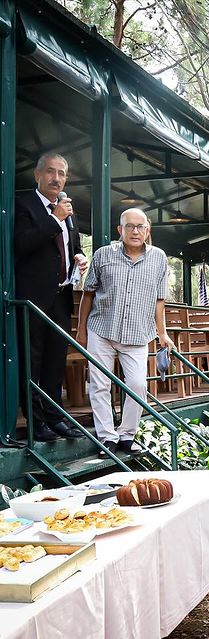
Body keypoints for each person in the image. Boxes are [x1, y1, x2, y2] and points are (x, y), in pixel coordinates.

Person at [76, 208, 175, 457]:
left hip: (138, 334)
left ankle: (127, 436)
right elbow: (88, 294)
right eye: (129, 226)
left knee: (137, 385)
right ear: (120, 230)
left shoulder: (159, 258)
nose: (135, 231)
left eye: (140, 226)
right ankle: (107, 438)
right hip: (102, 329)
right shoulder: (103, 255)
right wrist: (81, 331)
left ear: (147, 230)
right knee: (99, 385)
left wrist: (162, 333)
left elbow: (159, 300)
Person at [14, 152, 88, 441]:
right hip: (32, 299)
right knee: (33, 362)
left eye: (61, 173)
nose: (56, 178)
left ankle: (55, 416)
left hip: (61, 296)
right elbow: (21, 245)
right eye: (50, 172)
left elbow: (75, 244)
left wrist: (79, 257)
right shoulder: (24, 206)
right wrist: (54, 219)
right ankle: (36, 421)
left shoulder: (68, 209)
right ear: (37, 175)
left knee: (56, 361)